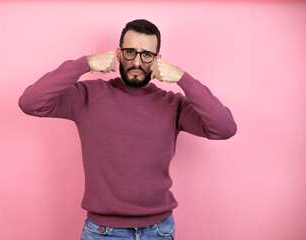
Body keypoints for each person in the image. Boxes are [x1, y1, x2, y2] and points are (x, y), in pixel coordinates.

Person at [18, 19, 237, 240]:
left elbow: (224, 127)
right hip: (102, 233)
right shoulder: (88, 95)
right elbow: (30, 102)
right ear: (119, 53)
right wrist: (85, 63)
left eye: (146, 55)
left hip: (159, 230)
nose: (137, 62)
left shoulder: (173, 104)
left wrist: (183, 78)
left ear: (157, 60)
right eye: (130, 52)